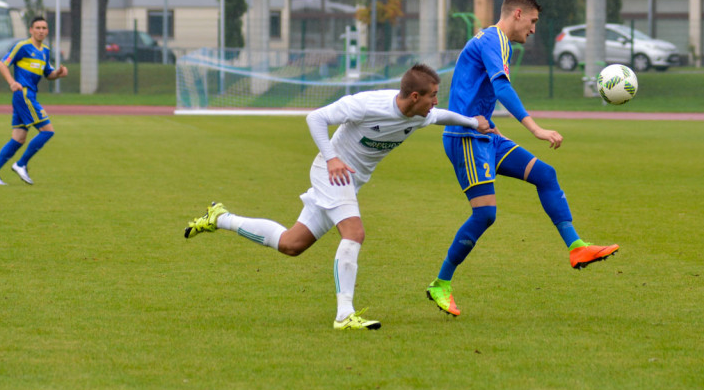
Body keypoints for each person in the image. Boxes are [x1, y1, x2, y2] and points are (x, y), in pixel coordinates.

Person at [184, 63, 492, 331]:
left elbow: (441, 117)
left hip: (347, 182)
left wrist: (472, 122)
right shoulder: (367, 104)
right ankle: (344, 314)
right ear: (415, 96)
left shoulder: (420, 115)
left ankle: (220, 218)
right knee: (355, 233)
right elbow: (315, 118)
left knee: (291, 244)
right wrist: (331, 158)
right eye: (432, 95)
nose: (435, 102)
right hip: (330, 173)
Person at [425, 0, 619, 317]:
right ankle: (441, 283)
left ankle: (576, 248)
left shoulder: (494, 41)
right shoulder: (495, 40)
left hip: (486, 136)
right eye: (533, 21)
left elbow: (478, 89)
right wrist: (536, 129)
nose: (533, 29)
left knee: (545, 174)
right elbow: (501, 88)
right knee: (485, 215)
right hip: (466, 137)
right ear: (517, 14)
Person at [0, 16, 69, 186]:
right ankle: (20, 164)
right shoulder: (22, 46)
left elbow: (48, 74)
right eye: (37, 27)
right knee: (47, 131)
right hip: (24, 95)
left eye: (44, 28)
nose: (41, 31)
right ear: (31, 30)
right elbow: (2, 64)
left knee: (19, 138)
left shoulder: (45, 51)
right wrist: (12, 82)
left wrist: (58, 74)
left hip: (29, 96)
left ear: (47, 31)